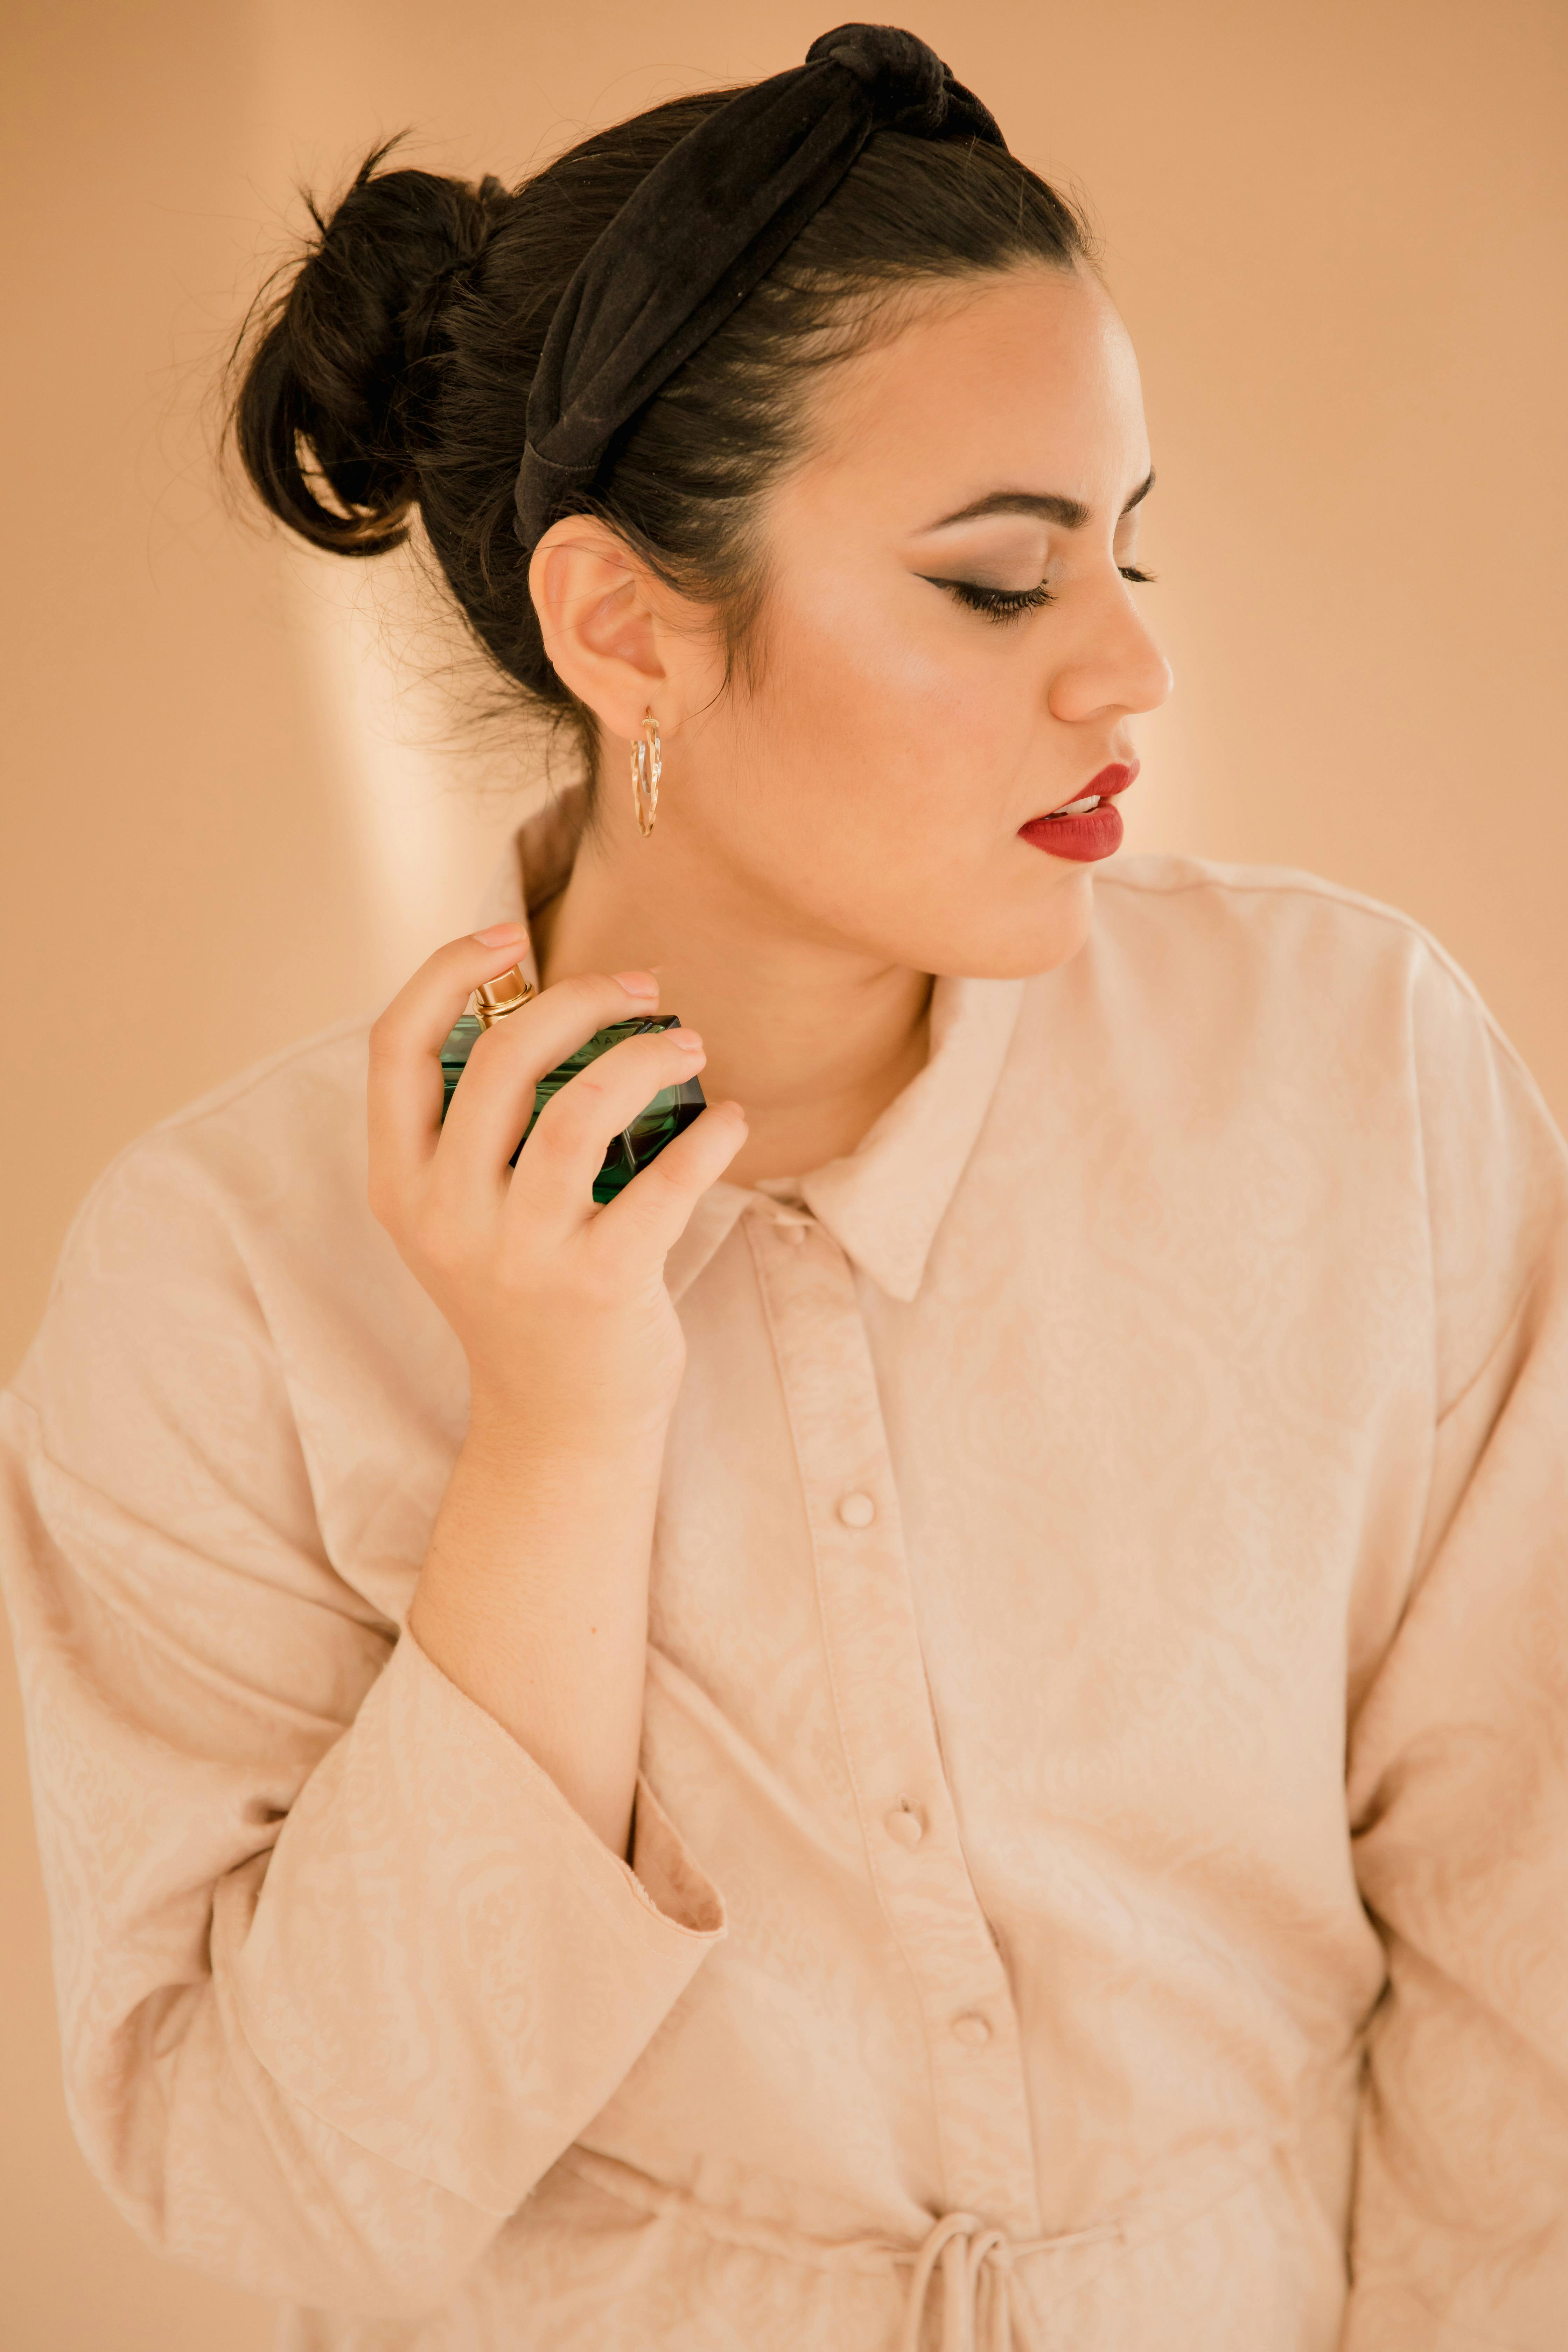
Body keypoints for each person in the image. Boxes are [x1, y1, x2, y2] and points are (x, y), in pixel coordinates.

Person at [2, 23, 1565, 2351]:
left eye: (1127, 554)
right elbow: (287, 2198)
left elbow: (1528, 1939)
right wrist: (553, 1433)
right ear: (626, 624)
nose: (1130, 669)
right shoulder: (218, 1284)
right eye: (995, 585)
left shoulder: (1352, 1076)